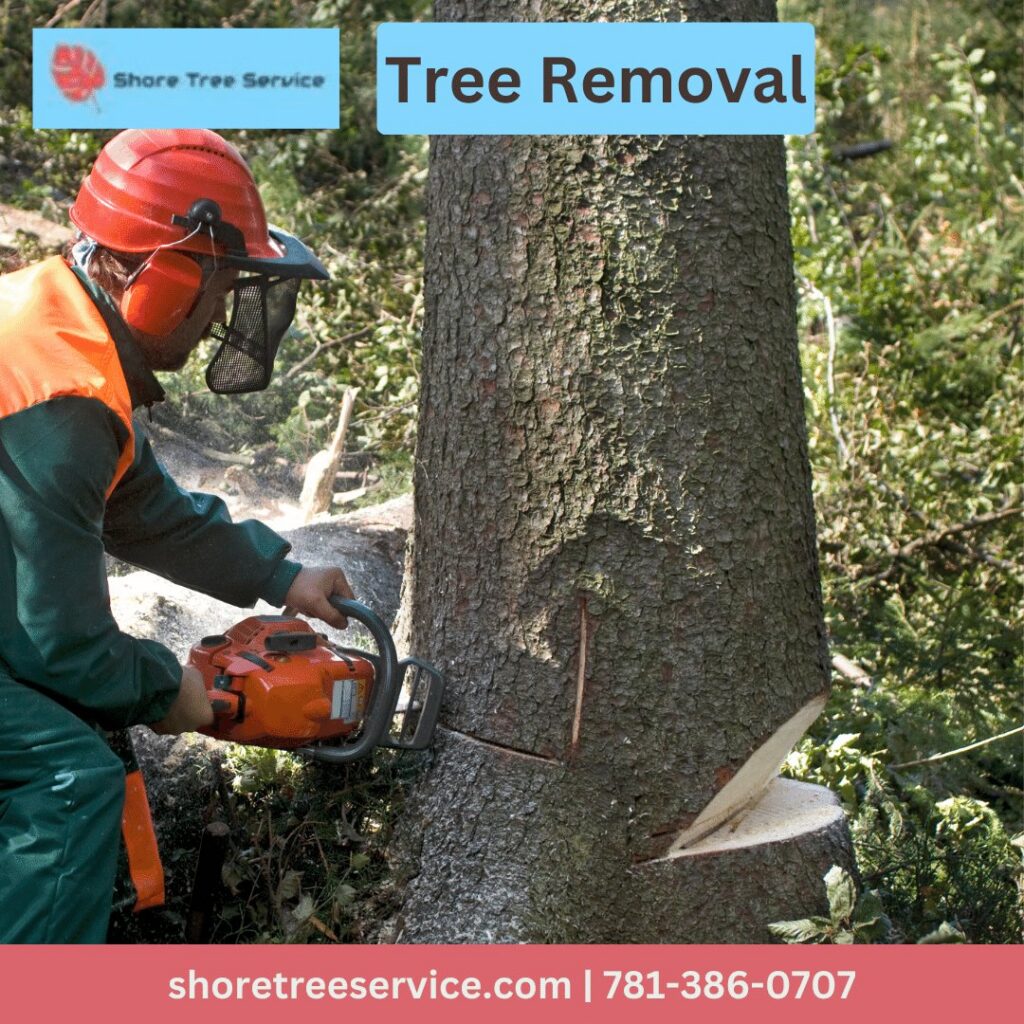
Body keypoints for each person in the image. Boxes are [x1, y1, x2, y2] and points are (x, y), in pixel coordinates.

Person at [0, 129, 353, 942]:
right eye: (220, 288)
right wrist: (173, 693)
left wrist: (282, 575)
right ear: (164, 279)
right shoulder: (64, 398)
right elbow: (63, 645)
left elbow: (145, 509)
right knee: (69, 781)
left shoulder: (58, 329)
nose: (223, 314)